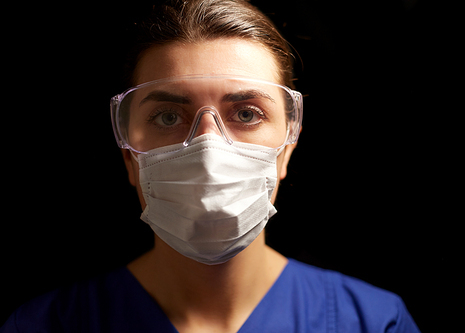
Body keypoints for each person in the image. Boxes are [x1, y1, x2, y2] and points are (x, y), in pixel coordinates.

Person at [1, 0, 420, 332]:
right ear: (129, 155)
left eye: (245, 114)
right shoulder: (47, 325)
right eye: (168, 116)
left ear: (287, 149)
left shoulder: (371, 322)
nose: (208, 149)